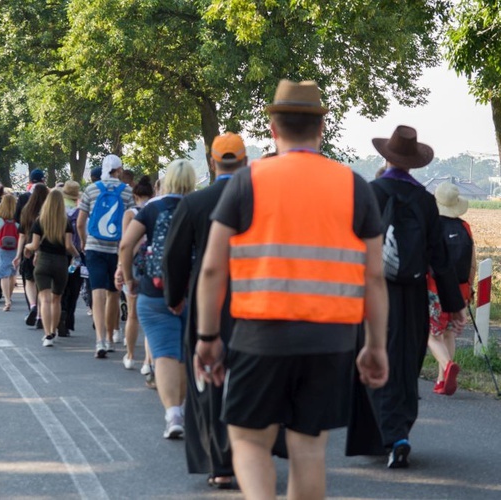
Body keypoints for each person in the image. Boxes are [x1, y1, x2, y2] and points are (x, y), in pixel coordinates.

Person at [195, 80, 389, 498]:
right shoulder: (353, 185)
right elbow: (374, 277)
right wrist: (375, 345)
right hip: (331, 339)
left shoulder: (248, 181)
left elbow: (212, 269)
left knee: (248, 439)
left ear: (272, 128)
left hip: (259, 336)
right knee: (309, 447)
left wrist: (208, 337)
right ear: (320, 130)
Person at [347, 126, 467, 469]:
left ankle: (385, 436)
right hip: (412, 294)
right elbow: (439, 256)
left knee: (372, 358)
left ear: (386, 157)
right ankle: (399, 431)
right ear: (412, 164)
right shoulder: (424, 200)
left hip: (373, 290)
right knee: (404, 363)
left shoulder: (370, 192)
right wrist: (453, 305)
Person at [163, 132, 246, 488]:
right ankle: (249, 454)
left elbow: (174, 255)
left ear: (212, 163)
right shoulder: (258, 200)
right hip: (252, 294)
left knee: (208, 378)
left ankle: (220, 462)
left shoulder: (195, 202)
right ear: (244, 161)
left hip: (206, 295)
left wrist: (174, 295)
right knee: (248, 374)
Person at [119, 159, 195, 439]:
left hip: (154, 290)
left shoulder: (152, 208)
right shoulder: (199, 206)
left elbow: (127, 244)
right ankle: (183, 408)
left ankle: (172, 413)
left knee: (163, 353)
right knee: (185, 353)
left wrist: (128, 278)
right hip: (191, 291)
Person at [77, 154, 135, 358]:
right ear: (119, 170)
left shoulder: (91, 190)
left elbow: (80, 222)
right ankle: (110, 337)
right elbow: (130, 222)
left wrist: (84, 241)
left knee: (97, 293)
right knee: (113, 294)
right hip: (117, 249)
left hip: (95, 246)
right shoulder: (127, 192)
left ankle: (99, 340)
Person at [428, 182, 475, 396]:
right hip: (460, 288)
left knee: (430, 333)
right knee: (448, 333)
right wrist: (470, 288)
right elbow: (472, 263)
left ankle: (447, 366)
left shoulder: (431, 226)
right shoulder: (464, 227)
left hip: (435, 288)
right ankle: (441, 380)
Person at [23, 189, 80, 347]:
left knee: (45, 299)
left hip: (43, 261)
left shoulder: (40, 221)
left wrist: (27, 247)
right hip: (61, 262)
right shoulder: (66, 222)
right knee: (56, 299)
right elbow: (69, 245)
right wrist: (77, 255)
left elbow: (34, 245)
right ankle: (53, 332)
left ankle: (47, 334)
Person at [116, 175, 154, 370]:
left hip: (132, 264)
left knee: (133, 314)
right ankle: (148, 361)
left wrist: (120, 268)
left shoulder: (130, 214)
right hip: (151, 264)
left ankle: (130, 356)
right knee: (149, 314)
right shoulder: (156, 210)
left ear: (134, 195)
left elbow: (125, 244)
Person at [14, 184, 49, 326]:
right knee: (42, 285)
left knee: (29, 281)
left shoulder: (26, 211)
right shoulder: (48, 211)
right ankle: (41, 315)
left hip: (28, 249)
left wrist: (18, 254)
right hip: (45, 250)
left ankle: (33, 305)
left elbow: (21, 236)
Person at [58, 181, 84, 337]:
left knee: (61, 288)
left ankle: (60, 311)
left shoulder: (58, 211)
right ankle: (68, 319)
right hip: (76, 255)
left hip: (59, 253)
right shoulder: (81, 212)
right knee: (74, 289)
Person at [0, 194, 19, 311]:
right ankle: (9, 297)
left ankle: (6, 300)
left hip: (1, 247)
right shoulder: (18, 217)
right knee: (12, 273)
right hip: (15, 247)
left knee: (3, 275)